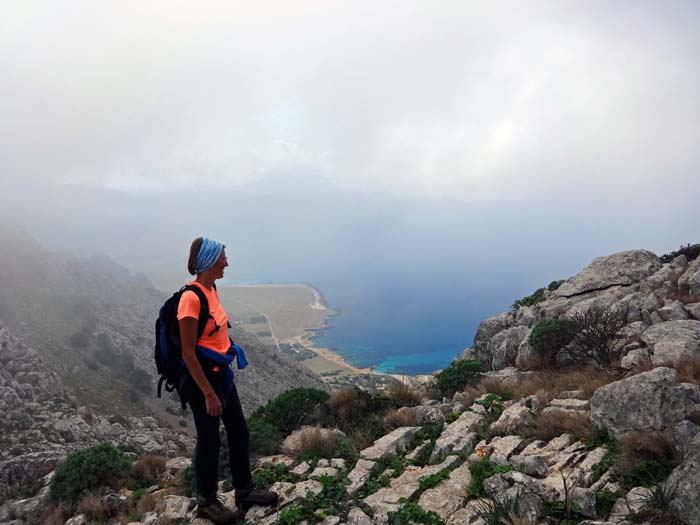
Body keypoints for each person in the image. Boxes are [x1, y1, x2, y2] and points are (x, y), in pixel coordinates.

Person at [177, 237, 278, 524]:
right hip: (203, 382)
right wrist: (208, 394)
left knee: (239, 432)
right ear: (210, 260)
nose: (227, 262)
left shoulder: (211, 289)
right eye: (223, 257)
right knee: (209, 441)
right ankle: (206, 501)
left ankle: (244, 490)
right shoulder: (190, 298)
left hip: (222, 376)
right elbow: (187, 353)